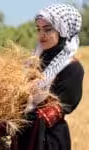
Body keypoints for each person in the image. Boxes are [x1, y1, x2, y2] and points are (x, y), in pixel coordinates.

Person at [16, 3, 84, 150]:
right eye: (38, 29)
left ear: (63, 31)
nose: (42, 34)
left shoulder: (72, 68)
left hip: (48, 141)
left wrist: (10, 123)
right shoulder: (32, 63)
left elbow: (51, 113)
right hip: (22, 137)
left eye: (48, 29)